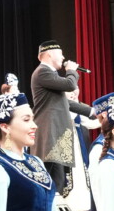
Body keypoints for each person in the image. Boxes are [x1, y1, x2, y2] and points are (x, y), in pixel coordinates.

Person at [29, 40, 91, 196]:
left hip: (56, 133)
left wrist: (92, 112)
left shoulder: (50, 74)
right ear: (50, 55)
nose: (63, 58)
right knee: (51, 179)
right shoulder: (43, 72)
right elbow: (70, 85)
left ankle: (53, 208)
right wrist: (71, 70)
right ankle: (48, 208)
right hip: (50, 133)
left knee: (58, 180)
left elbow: (65, 102)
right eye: (61, 54)